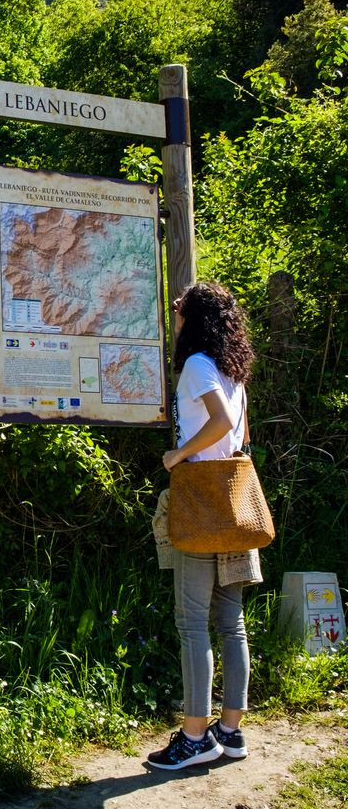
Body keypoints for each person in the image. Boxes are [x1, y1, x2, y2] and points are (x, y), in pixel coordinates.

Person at [148, 281, 260, 771]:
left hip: (200, 498)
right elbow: (241, 435)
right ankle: (230, 732)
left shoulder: (196, 366)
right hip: (232, 500)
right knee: (230, 621)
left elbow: (214, 423)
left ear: (193, 320)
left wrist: (180, 454)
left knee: (193, 622)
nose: (174, 319)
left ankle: (195, 737)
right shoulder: (233, 370)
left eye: (179, 311)